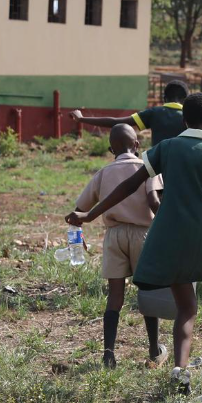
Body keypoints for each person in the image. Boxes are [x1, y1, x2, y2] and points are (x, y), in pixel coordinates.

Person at [66, 93, 202, 394]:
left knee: (186, 307)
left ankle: (180, 369)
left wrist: (90, 214)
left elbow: (129, 185)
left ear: (183, 120)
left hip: (169, 232)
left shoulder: (166, 148)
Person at [72, 124, 166, 369]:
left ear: (111, 149)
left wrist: (78, 232)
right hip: (143, 235)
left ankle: (108, 354)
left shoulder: (103, 173)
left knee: (115, 296)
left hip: (113, 236)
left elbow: (80, 209)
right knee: (147, 292)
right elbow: (153, 201)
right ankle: (154, 350)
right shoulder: (147, 167)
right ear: (137, 145)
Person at [71, 80, 189, 146]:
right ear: (185, 100)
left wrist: (81, 119)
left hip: (157, 168)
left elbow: (115, 122)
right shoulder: (190, 116)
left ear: (164, 98)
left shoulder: (154, 113)